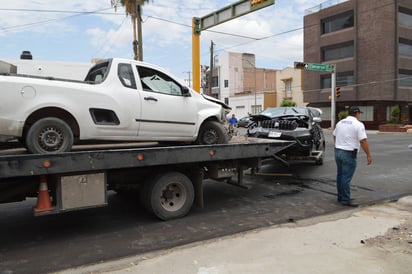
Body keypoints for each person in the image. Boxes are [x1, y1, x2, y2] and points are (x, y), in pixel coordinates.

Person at [333, 106, 372, 207]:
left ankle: (340, 196)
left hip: (338, 151)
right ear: (357, 113)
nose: (360, 116)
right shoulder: (358, 124)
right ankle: (346, 199)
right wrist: (368, 155)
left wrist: (339, 145)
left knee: (340, 175)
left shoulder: (340, 123)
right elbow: (363, 141)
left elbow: (334, 136)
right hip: (349, 153)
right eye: (359, 114)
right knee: (346, 177)